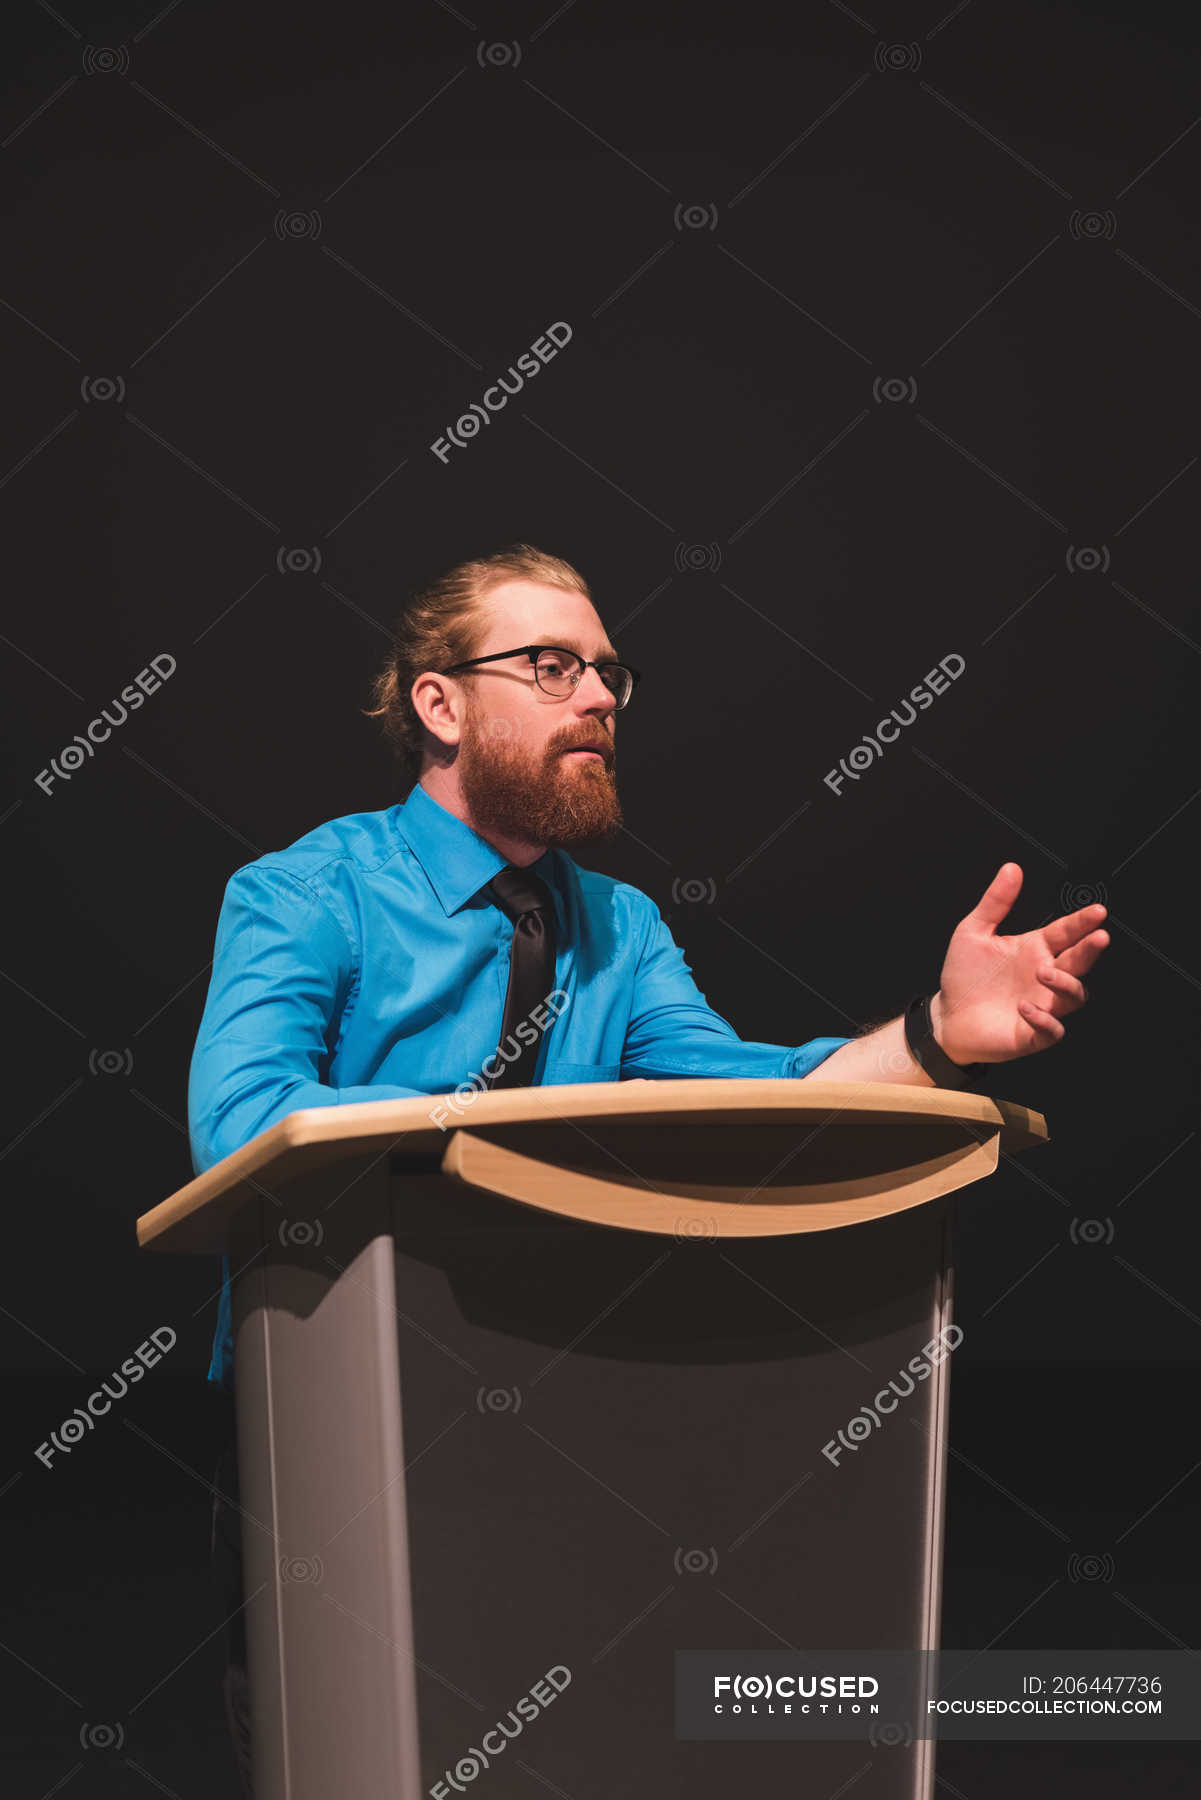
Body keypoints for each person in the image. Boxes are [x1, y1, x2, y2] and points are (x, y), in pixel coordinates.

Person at [191, 541, 1108, 1793]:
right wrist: (504, 1132)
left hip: (564, 1404)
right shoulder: (307, 892)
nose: (600, 699)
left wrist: (934, 1037)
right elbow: (242, 1121)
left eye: (609, 672)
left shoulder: (620, 923)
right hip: (335, 1409)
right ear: (439, 703)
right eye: (552, 664)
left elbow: (747, 1097)